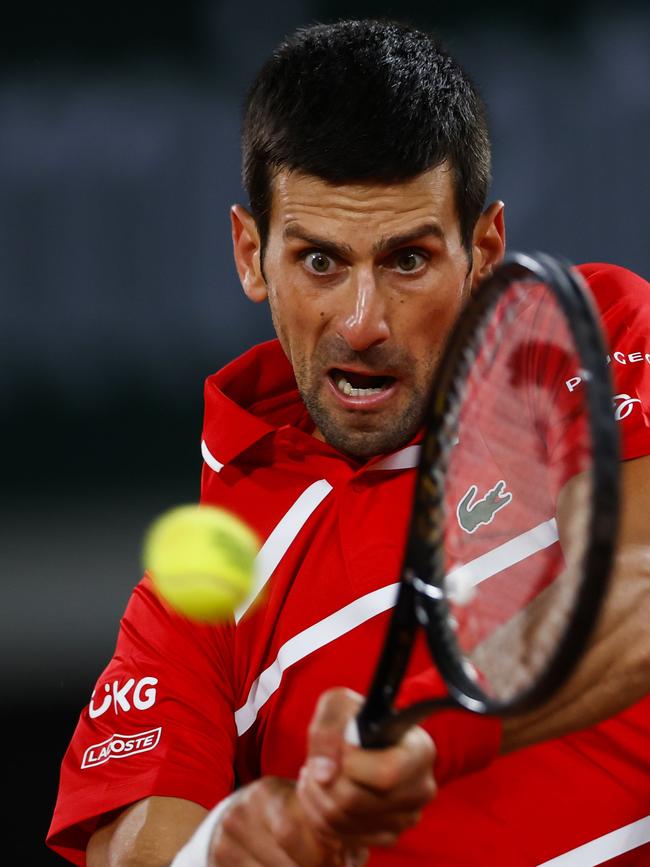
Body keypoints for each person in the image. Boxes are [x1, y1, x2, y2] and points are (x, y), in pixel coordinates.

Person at [48, 19, 650, 867]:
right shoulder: (198, 600)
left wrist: (432, 733)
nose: (363, 323)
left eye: (407, 259)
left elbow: (636, 584)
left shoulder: (583, 335)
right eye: (320, 262)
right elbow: (136, 843)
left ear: (483, 249)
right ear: (250, 255)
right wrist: (230, 846)